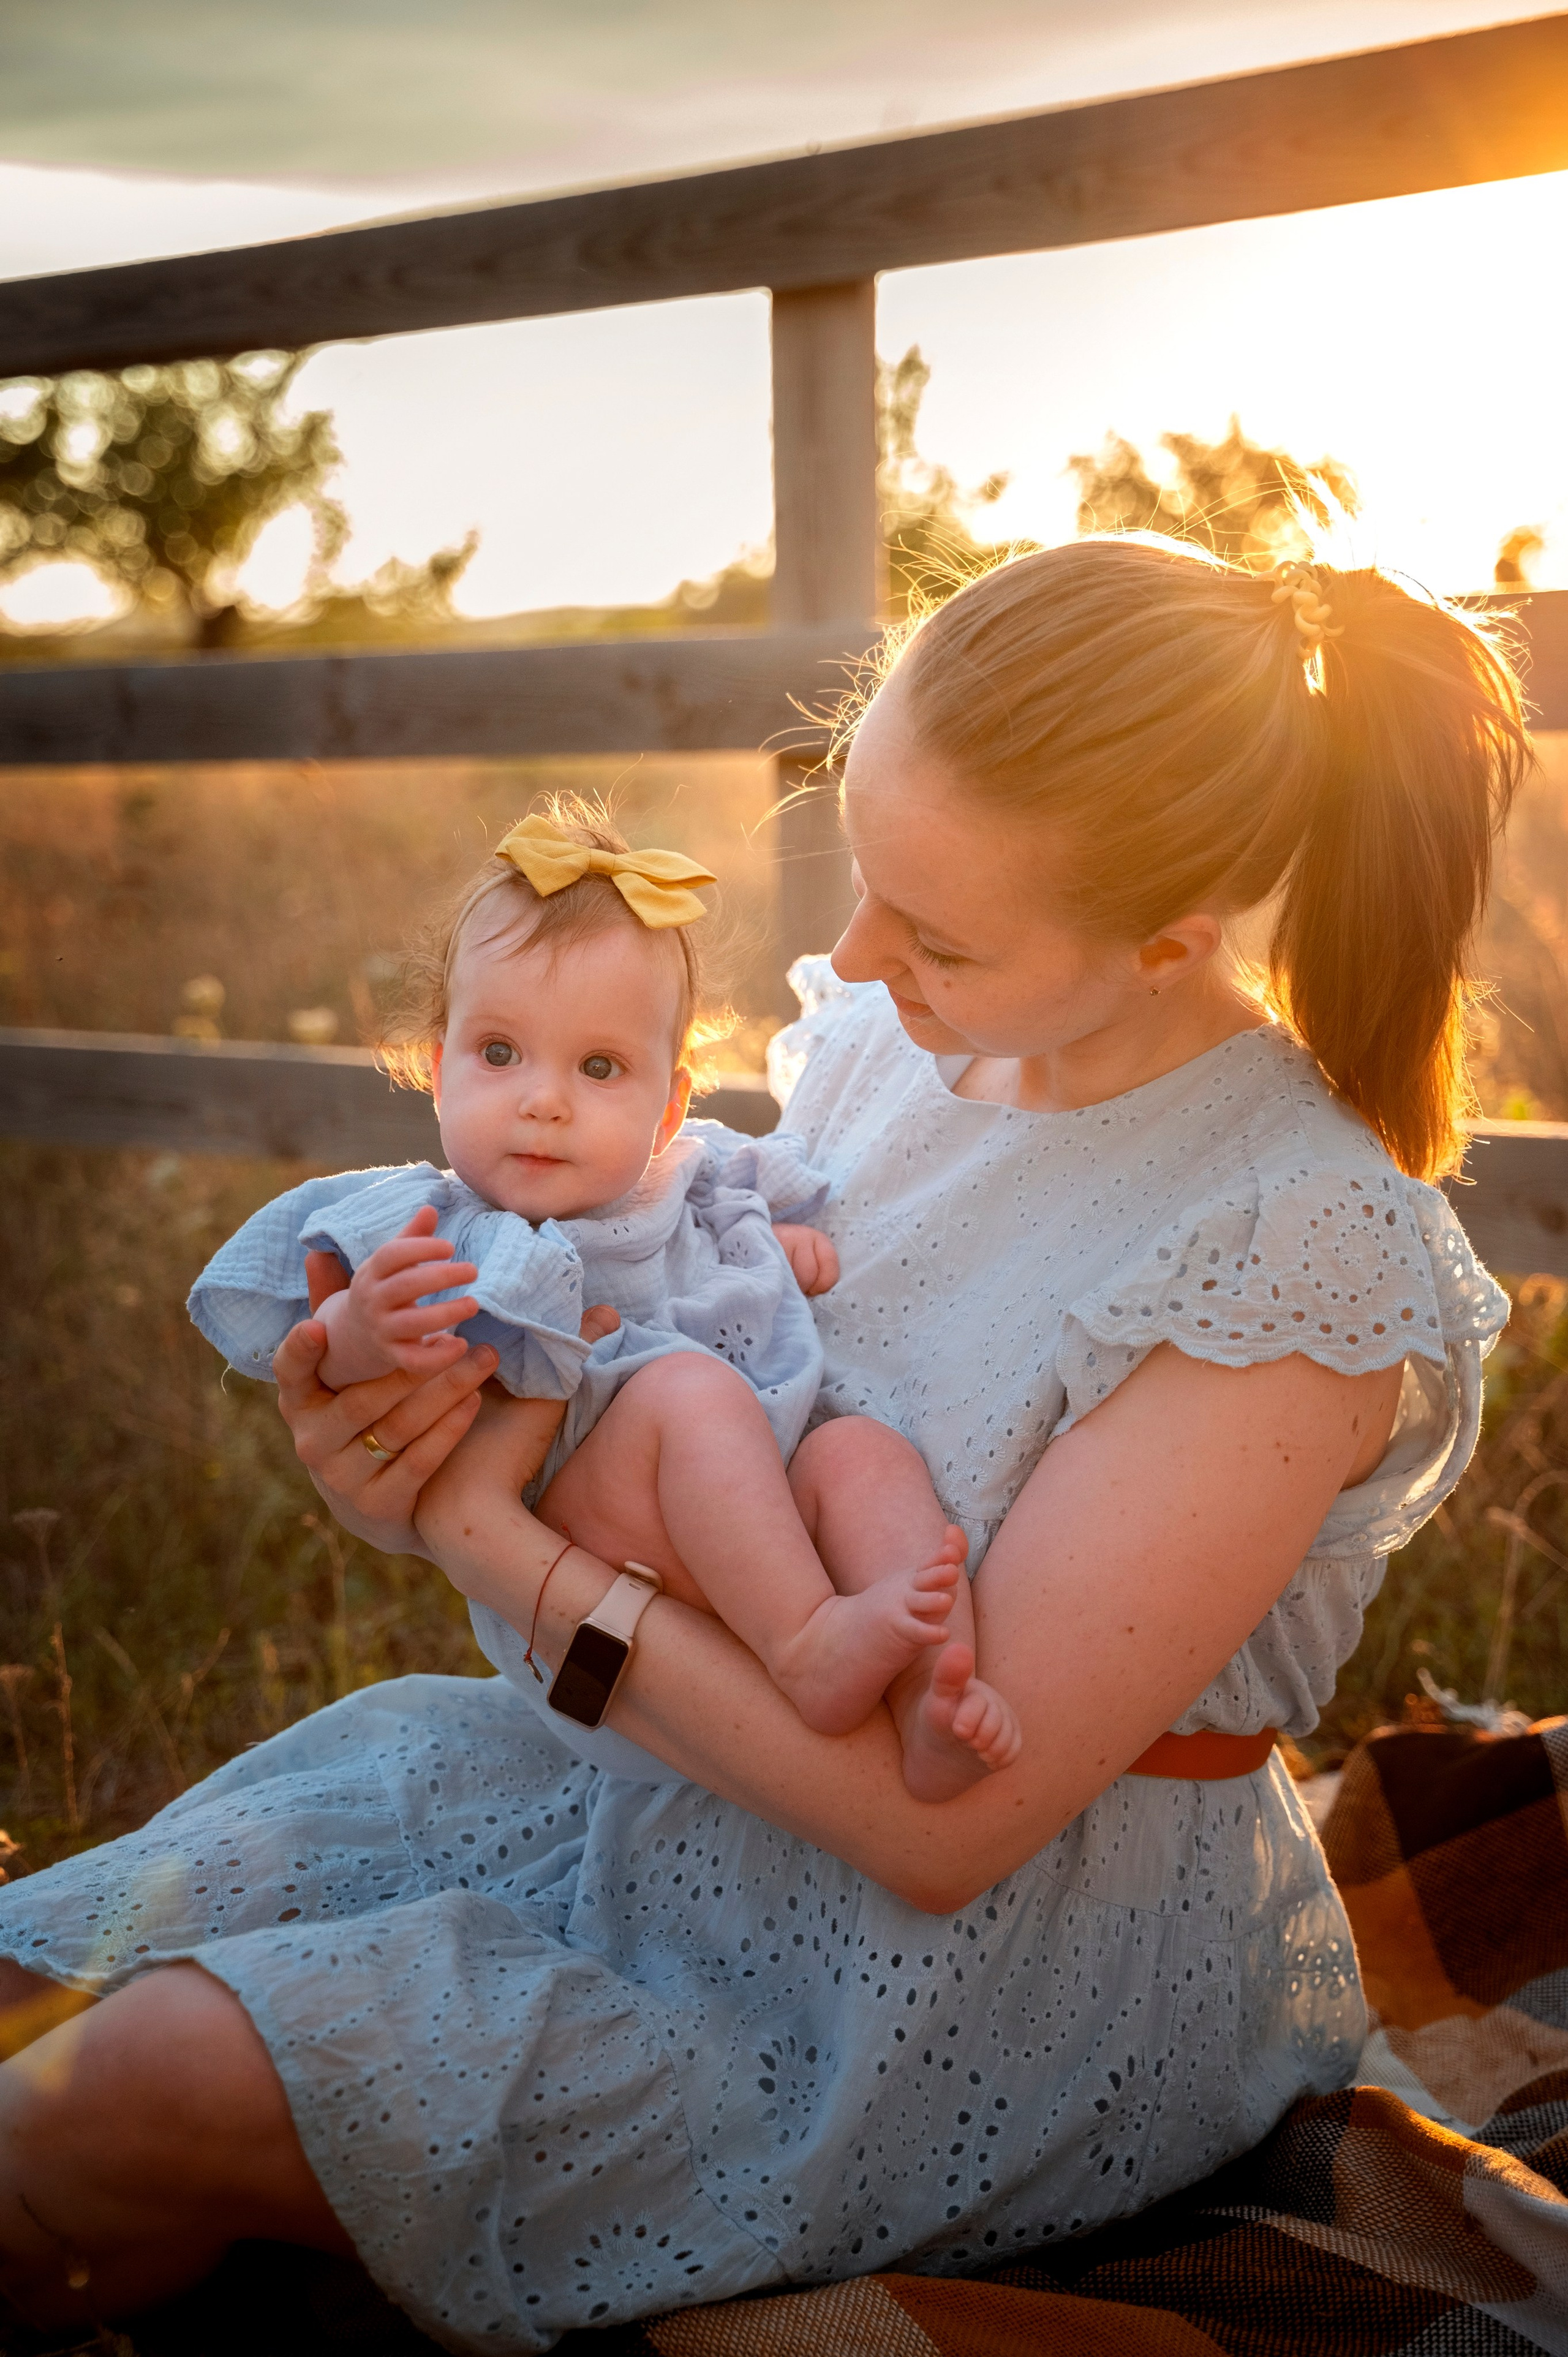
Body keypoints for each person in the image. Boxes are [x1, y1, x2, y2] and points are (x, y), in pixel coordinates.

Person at [0, 539, 1522, 2355]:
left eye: (937, 932)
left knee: (137, 2085)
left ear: (1167, 947)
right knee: (44, 1980)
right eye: (862, 868)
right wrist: (404, 1457)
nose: (860, 958)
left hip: (969, 1994)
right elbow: (681, 1383)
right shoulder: (893, 1034)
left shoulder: (1286, 1238)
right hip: (654, 1780)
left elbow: (940, 1831)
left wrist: (491, 1544)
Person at [187, 804, 1017, 1788]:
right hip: (601, 1520)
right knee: (684, 1393)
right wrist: (367, 1328)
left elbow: (739, 1226)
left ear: (669, 1108)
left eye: (598, 1067)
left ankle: (931, 1698)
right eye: (500, 1053)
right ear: (438, 1072)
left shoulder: (689, 1182)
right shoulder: (440, 1225)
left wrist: (765, 1249)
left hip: (756, 1513)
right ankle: (806, 1648)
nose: (544, 1101)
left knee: (863, 1454)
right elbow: (323, 1346)